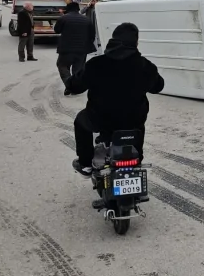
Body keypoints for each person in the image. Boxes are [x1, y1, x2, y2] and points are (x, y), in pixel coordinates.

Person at [67, 23, 164, 176]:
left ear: (112, 40)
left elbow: (75, 86)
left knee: (81, 121)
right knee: (138, 125)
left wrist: (70, 81)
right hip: (132, 119)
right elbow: (158, 87)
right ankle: (137, 158)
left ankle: (85, 164)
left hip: (100, 119)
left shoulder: (96, 64)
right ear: (136, 43)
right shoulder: (145, 66)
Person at [53, 1, 96, 95]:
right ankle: (75, 87)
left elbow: (56, 30)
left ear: (68, 9)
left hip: (66, 49)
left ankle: (69, 85)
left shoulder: (63, 18)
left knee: (62, 66)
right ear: (78, 9)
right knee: (78, 69)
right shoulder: (86, 20)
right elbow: (92, 35)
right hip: (82, 50)